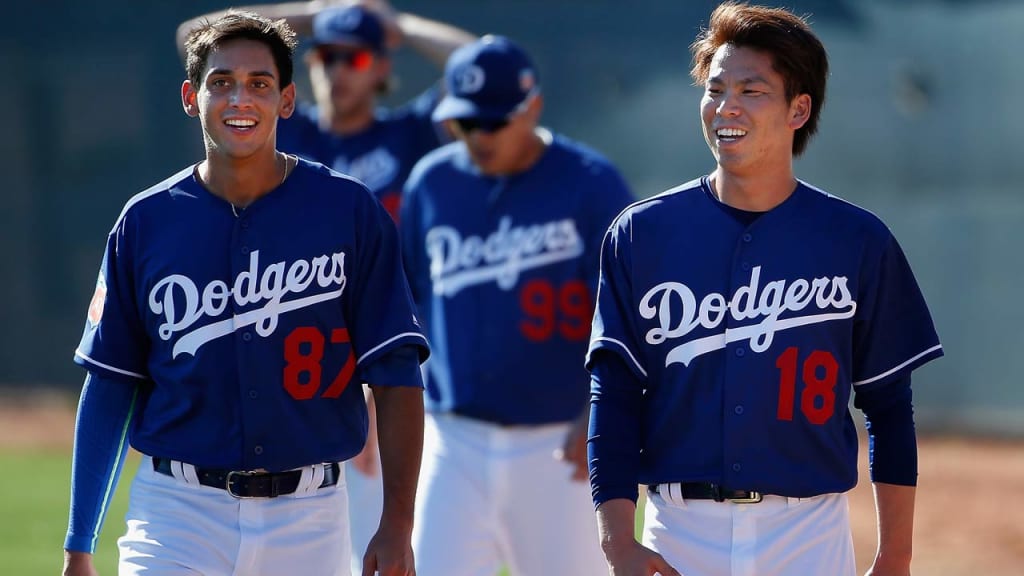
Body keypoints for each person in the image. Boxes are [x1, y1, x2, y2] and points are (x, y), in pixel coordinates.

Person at [62, 11, 428, 576]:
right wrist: (79, 542)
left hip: (311, 513)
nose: (240, 98)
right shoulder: (146, 221)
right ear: (191, 96)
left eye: (259, 84)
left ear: (286, 101)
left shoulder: (350, 211)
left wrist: (398, 522)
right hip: (176, 510)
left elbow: (397, 374)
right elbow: (110, 383)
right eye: (221, 82)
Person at [586, 3, 944, 576]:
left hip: (809, 535)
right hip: (678, 532)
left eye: (752, 90)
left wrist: (895, 555)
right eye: (715, 88)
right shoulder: (641, 234)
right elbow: (615, 394)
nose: (726, 106)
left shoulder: (857, 241)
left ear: (798, 108)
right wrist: (616, 543)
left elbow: (889, 409)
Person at [399, 35, 635, 575]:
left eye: (493, 122)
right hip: (450, 439)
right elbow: (406, 302)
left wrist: (601, 412)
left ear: (533, 107)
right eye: (465, 122)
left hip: (560, 444)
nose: (478, 136)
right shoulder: (432, 183)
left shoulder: (590, 183)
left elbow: (630, 311)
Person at [176, 1, 476, 220]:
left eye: (354, 59)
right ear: (312, 64)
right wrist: (314, 13)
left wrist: (398, 25)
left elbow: (481, 66)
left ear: (381, 68)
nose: (337, 71)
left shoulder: (410, 133)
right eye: (327, 56)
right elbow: (193, 36)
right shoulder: (284, 125)